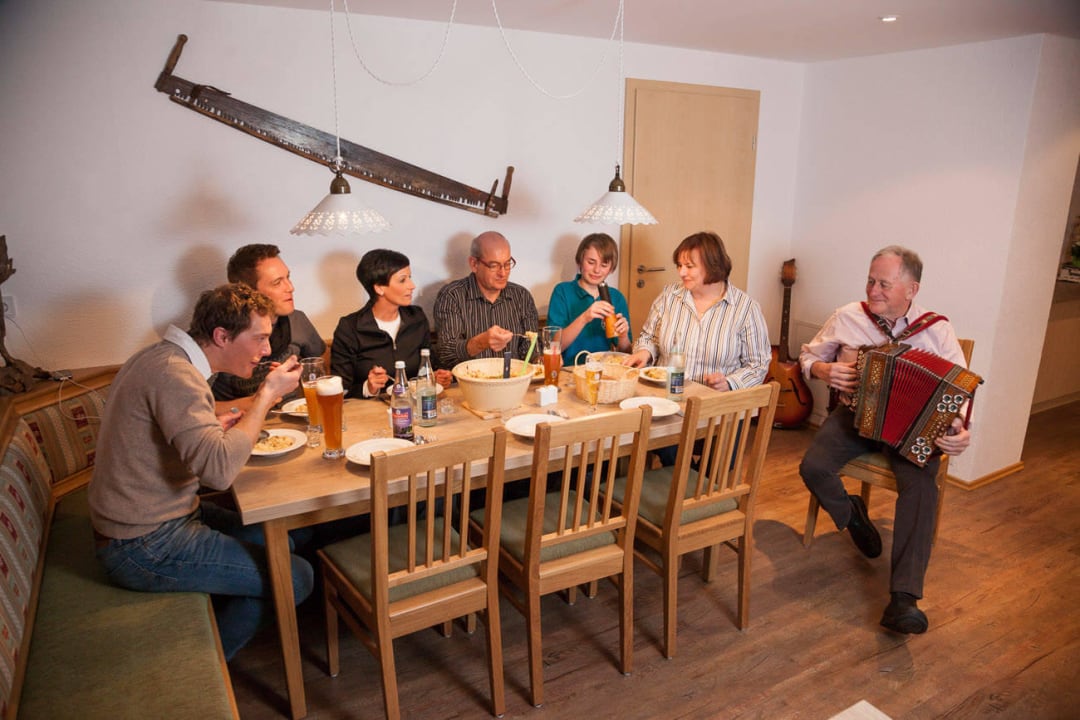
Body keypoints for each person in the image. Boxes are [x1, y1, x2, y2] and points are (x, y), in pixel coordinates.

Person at [89, 283, 314, 661]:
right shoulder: (176, 375)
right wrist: (266, 395)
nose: (266, 350)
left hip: (156, 518)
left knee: (283, 539)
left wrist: (215, 429)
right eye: (259, 338)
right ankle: (198, 669)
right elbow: (219, 473)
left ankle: (222, 602)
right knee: (295, 577)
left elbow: (179, 439)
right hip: (141, 542)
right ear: (222, 336)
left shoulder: (164, 358)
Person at [798, 245, 971, 635]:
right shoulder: (848, 316)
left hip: (912, 429)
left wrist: (961, 429)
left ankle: (904, 599)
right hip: (854, 418)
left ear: (912, 289)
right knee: (814, 467)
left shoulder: (937, 329)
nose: (873, 290)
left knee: (921, 489)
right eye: (870, 281)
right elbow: (807, 357)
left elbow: (958, 390)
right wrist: (824, 369)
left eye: (884, 284)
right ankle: (851, 515)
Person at [627, 231, 770, 391]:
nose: (681, 272)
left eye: (689, 266)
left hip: (714, 401)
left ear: (713, 266)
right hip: (666, 394)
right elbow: (648, 337)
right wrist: (644, 352)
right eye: (679, 265)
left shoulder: (746, 308)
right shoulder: (669, 296)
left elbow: (758, 364)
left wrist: (729, 383)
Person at [212, 244, 325, 412]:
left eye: (288, 277)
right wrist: (258, 400)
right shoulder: (221, 335)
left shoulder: (297, 320)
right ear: (249, 292)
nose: (290, 287)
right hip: (242, 423)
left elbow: (320, 366)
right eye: (277, 283)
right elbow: (199, 407)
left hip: (295, 419)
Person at [331, 248, 453, 399]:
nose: (412, 285)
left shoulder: (417, 317)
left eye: (410, 277)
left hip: (416, 405)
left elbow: (429, 364)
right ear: (379, 288)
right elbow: (341, 389)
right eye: (403, 280)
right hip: (371, 409)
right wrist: (369, 388)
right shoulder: (350, 328)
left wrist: (436, 376)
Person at [433, 231, 540, 370]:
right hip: (470, 380)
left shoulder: (521, 296)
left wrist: (541, 359)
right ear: (474, 264)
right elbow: (445, 354)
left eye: (507, 264)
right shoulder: (452, 296)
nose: (503, 273)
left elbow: (531, 349)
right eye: (494, 266)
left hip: (514, 378)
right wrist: (481, 342)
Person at [547, 233, 632, 364]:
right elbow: (553, 346)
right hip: (569, 369)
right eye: (591, 262)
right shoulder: (562, 291)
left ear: (611, 268)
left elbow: (626, 353)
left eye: (604, 265)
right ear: (580, 262)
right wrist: (584, 317)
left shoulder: (616, 297)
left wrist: (623, 337)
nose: (597, 270)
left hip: (603, 369)